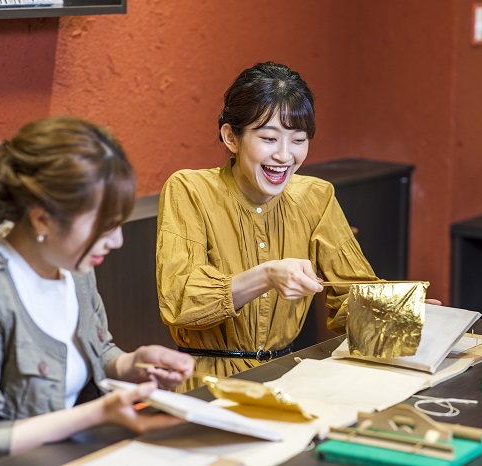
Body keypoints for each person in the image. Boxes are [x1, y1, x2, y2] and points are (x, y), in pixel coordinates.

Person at [0, 116, 195, 466]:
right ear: (43, 219)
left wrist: (131, 364)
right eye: (104, 227)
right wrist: (96, 414)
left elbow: (97, 350)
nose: (117, 241)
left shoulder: (74, 265)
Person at [157, 61, 391, 392]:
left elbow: (349, 299)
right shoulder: (190, 189)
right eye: (268, 138)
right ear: (231, 137)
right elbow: (181, 303)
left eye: (298, 140)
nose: (284, 155)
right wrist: (267, 276)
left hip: (286, 379)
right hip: (205, 386)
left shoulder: (316, 196)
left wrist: (400, 312)